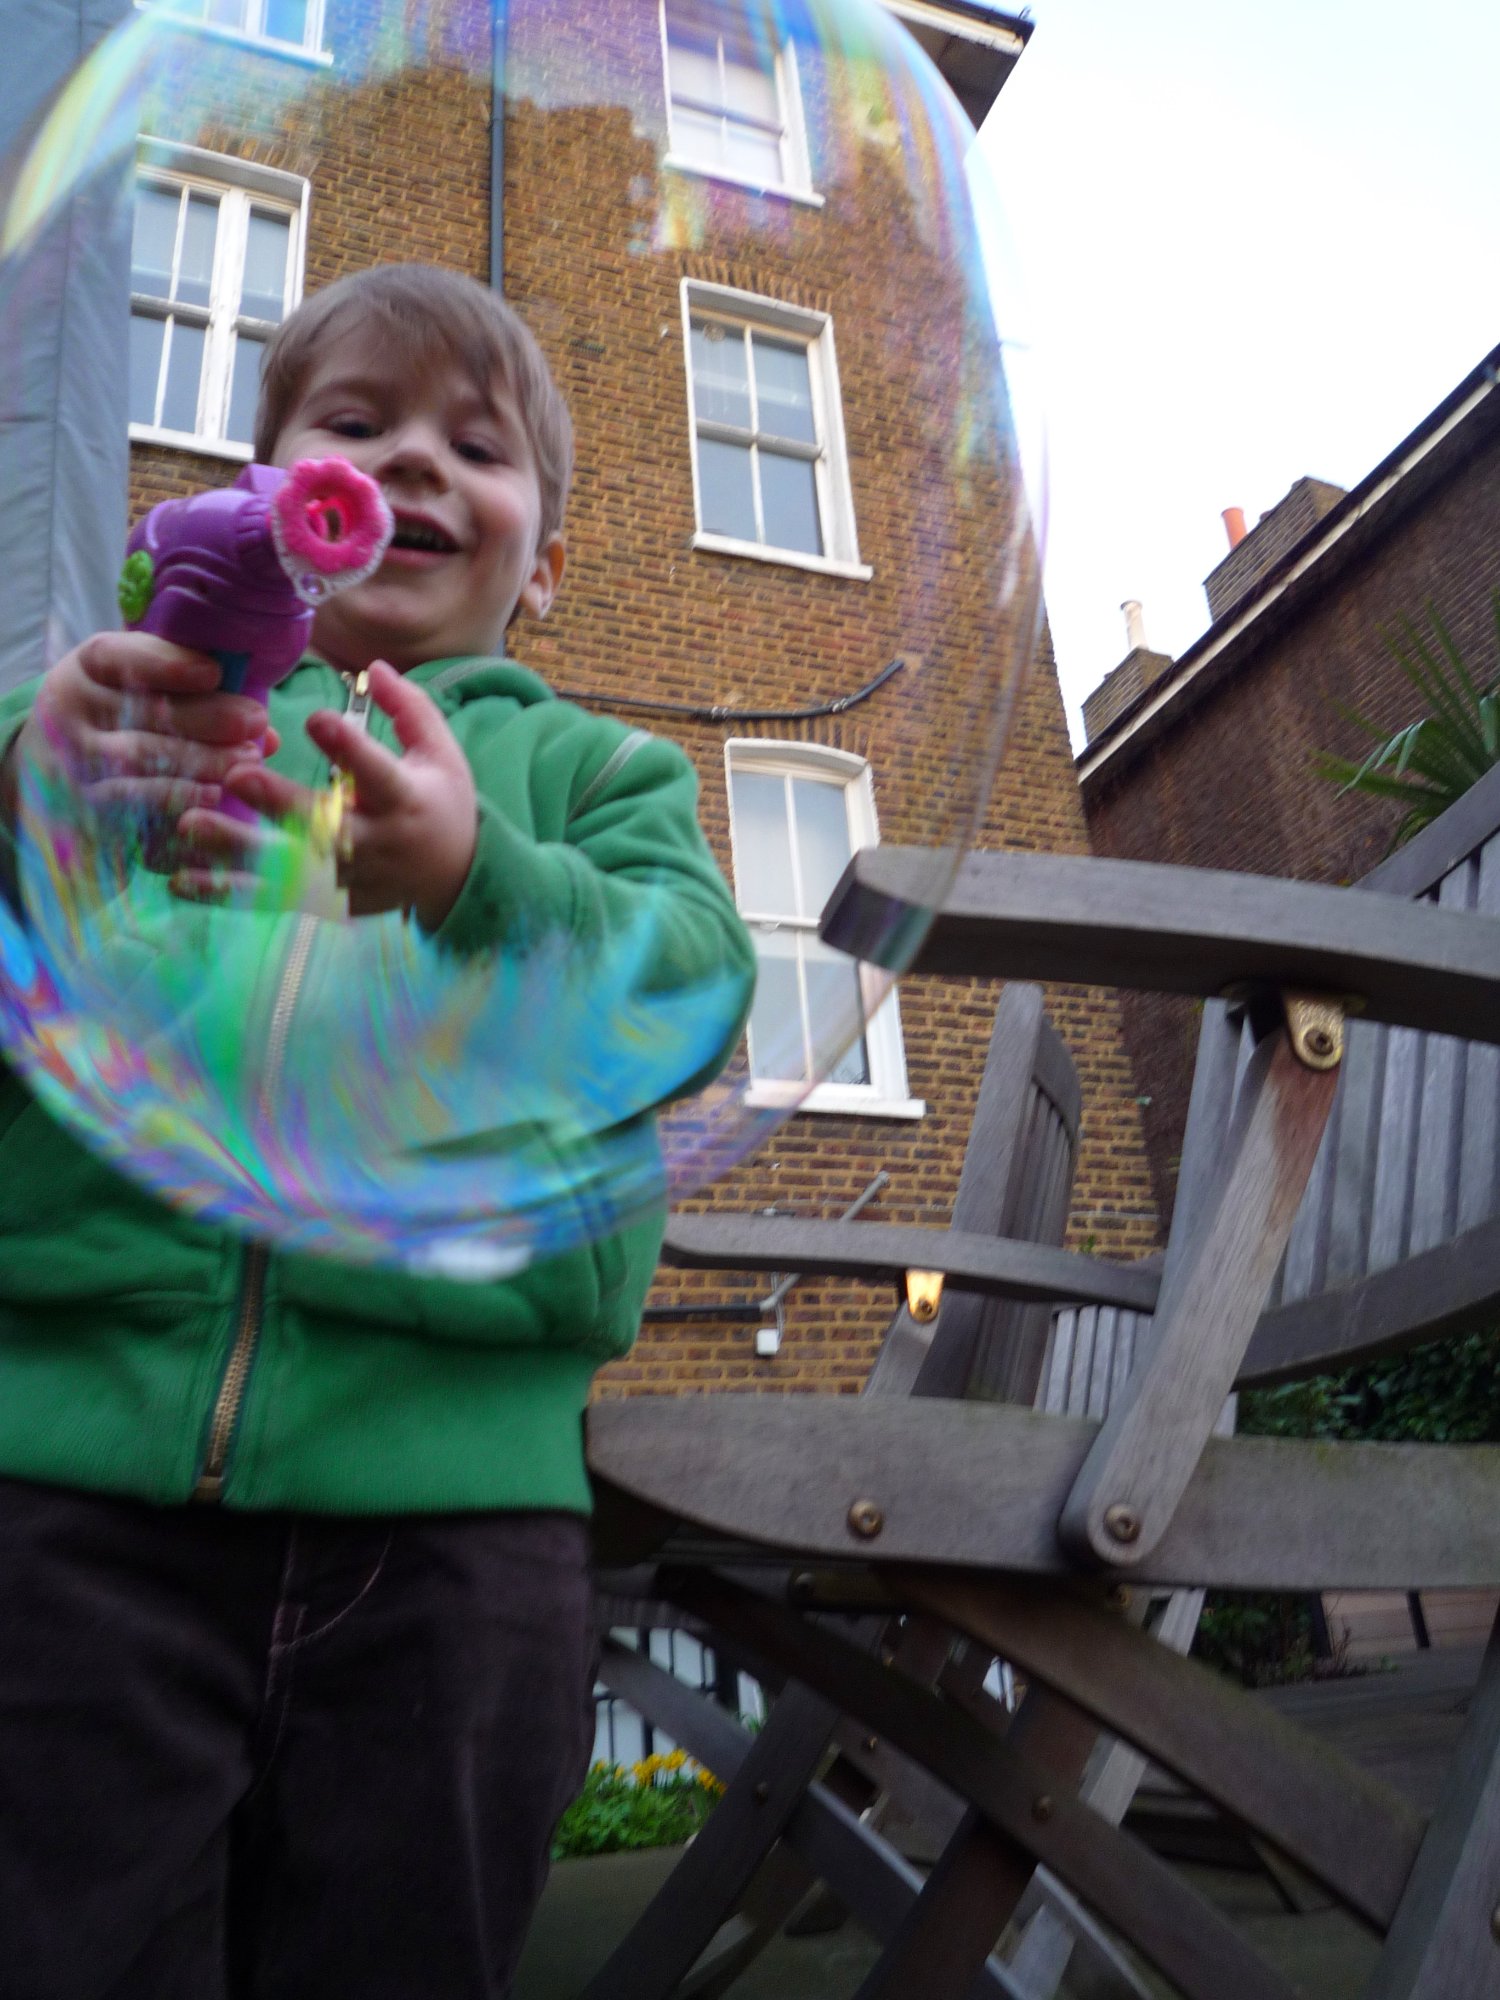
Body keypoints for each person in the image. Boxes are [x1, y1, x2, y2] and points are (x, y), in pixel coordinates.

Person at [0, 263, 756, 1998]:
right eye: (355, 424)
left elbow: (690, 990)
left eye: (473, 445)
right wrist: (29, 792)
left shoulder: (591, 779)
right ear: (272, 501)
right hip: (69, 1503)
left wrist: (475, 870)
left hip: (458, 1532)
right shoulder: (136, 729)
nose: (410, 461)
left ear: (544, 561)